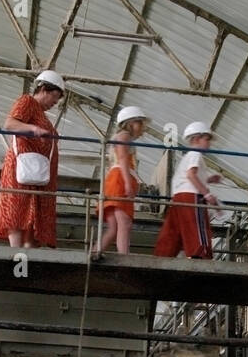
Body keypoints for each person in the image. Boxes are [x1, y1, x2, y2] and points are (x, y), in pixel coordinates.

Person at [0, 69, 66, 248]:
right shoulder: (27, 101)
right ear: (43, 89)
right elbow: (10, 124)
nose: (55, 102)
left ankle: (26, 256)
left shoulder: (41, 114)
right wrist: (35, 130)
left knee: (31, 209)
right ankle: (17, 253)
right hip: (23, 167)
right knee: (18, 205)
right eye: (54, 96)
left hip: (36, 172)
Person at [154, 121, 222, 259]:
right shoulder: (195, 154)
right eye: (207, 139)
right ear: (197, 139)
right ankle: (200, 254)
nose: (209, 143)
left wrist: (209, 179)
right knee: (196, 226)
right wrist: (207, 194)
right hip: (191, 196)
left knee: (174, 229)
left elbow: (188, 176)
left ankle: (163, 255)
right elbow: (191, 175)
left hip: (178, 197)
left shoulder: (188, 157)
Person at [95, 105, 147, 255]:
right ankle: (124, 259)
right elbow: (123, 158)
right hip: (119, 180)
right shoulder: (124, 136)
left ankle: (94, 254)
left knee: (114, 228)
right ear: (130, 123)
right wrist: (127, 182)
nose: (142, 128)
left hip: (114, 181)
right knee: (124, 222)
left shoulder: (121, 136)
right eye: (140, 123)